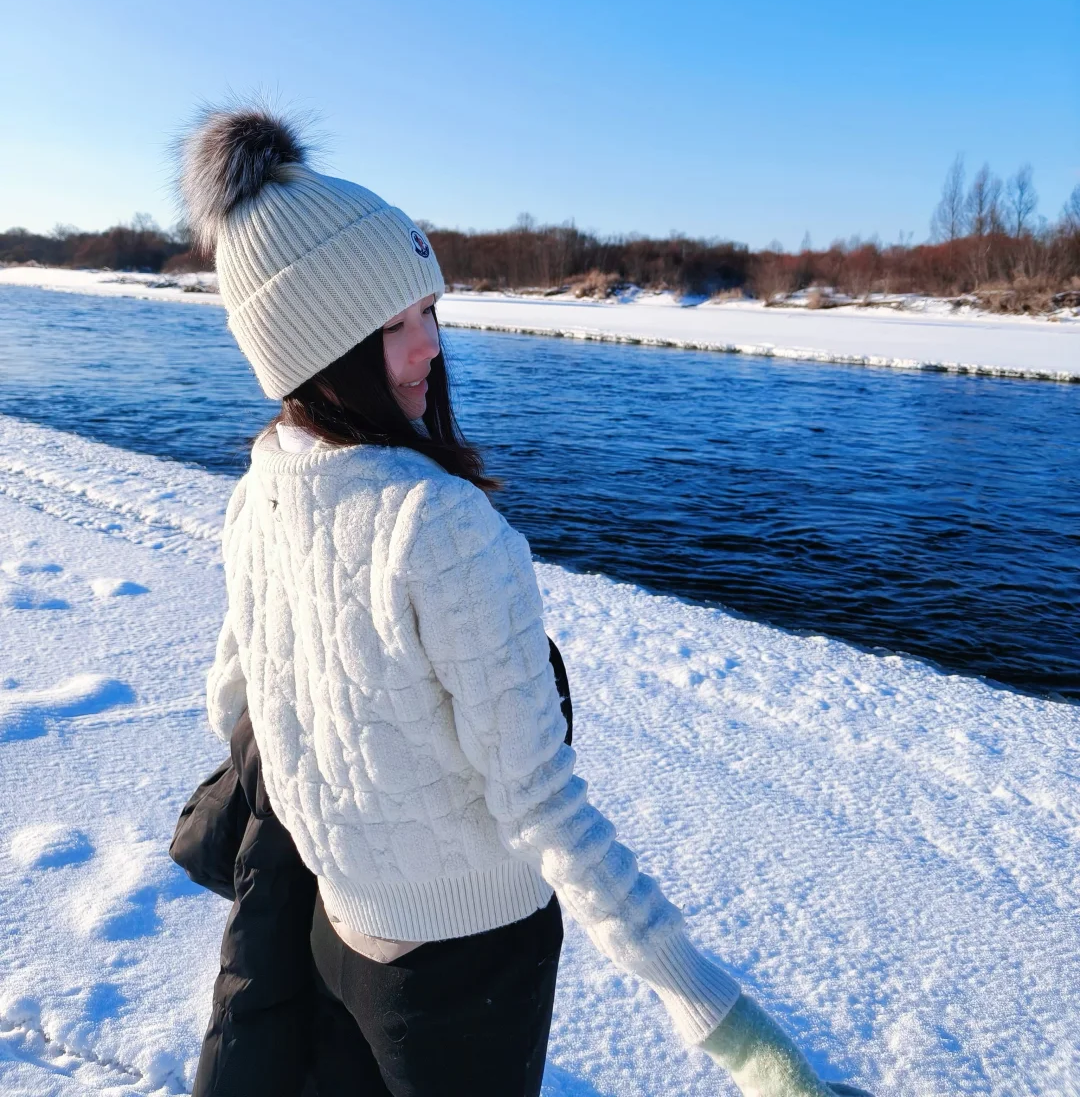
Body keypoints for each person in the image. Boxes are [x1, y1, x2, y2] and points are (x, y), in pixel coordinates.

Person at [179, 106, 873, 1097]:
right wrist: (733, 1030)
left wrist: (349, 807)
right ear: (314, 348)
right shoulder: (441, 527)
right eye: (394, 326)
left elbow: (236, 707)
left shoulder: (260, 487)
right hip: (469, 972)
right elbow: (542, 804)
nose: (430, 350)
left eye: (431, 313)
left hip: (334, 932)